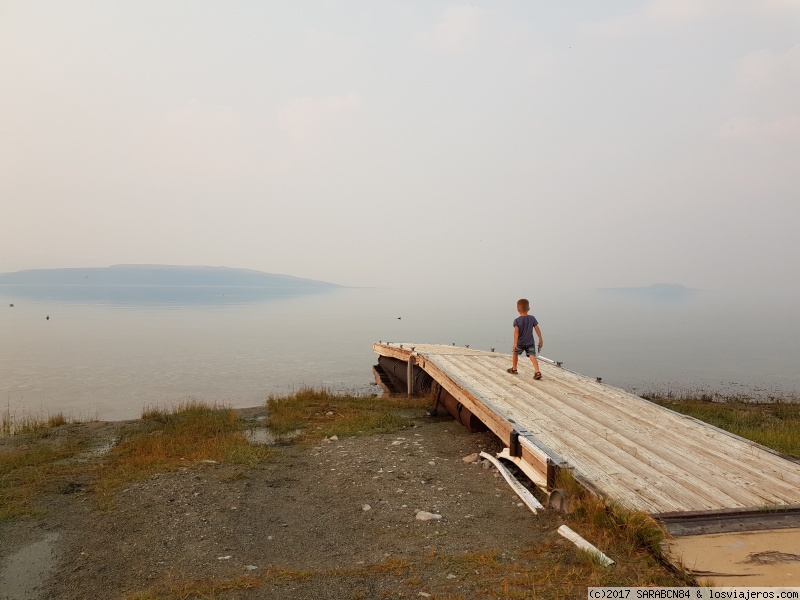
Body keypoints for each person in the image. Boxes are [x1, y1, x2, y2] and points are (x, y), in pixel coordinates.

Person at [507, 298, 543, 380]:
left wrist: (515, 343)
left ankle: (514, 369)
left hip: (520, 342)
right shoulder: (532, 318)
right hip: (530, 342)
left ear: (517, 309)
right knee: (532, 356)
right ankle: (537, 371)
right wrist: (540, 339)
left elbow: (516, 332)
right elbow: (537, 329)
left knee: (515, 354)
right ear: (528, 309)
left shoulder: (517, 321)